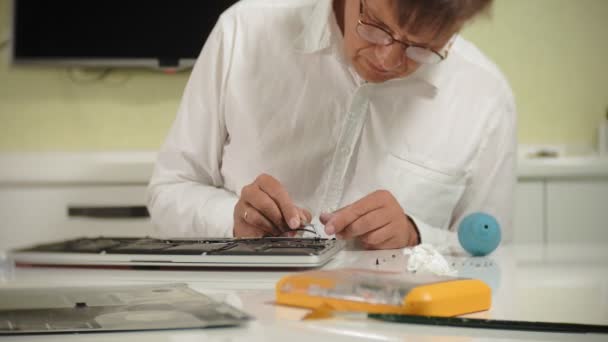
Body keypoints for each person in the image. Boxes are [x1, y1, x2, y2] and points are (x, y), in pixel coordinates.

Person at [147, 0, 516, 250]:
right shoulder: (245, 31)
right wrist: (232, 219)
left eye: (421, 47)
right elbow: (169, 190)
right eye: (374, 25)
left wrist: (415, 236)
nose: (387, 59)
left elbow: (492, 255)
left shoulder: (485, 97)